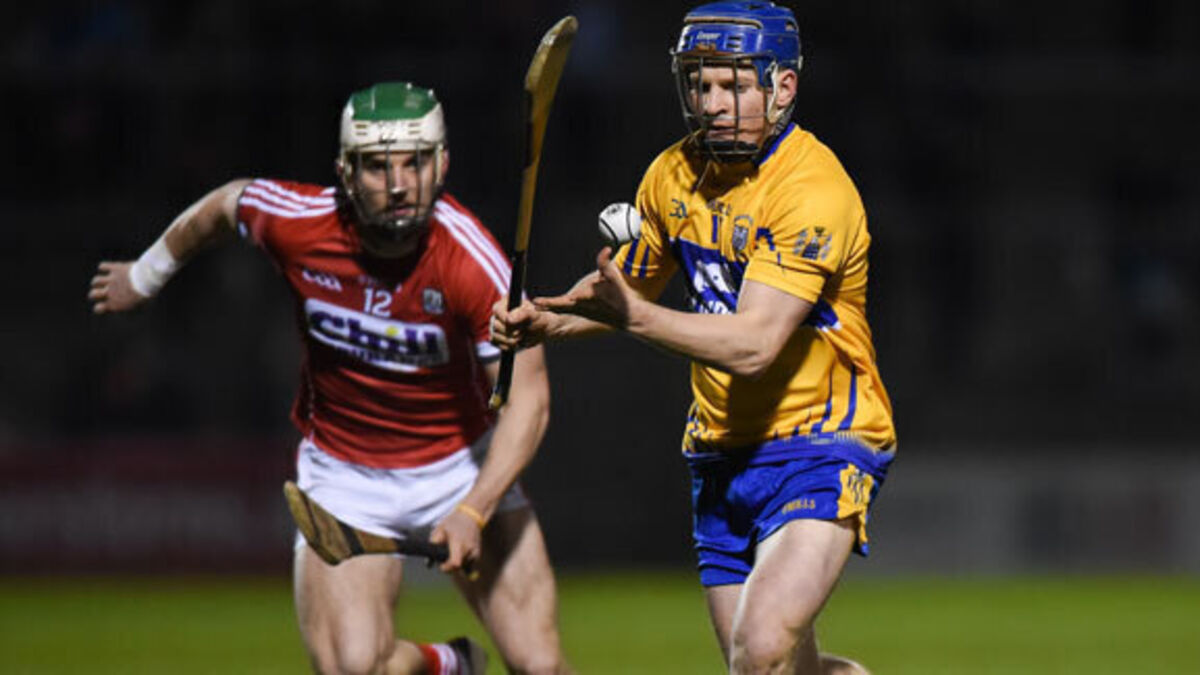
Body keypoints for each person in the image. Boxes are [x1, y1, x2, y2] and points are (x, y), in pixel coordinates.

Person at [89, 81, 569, 675]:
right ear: (345, 172)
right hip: (347, 480)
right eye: (377, 166)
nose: (398, 183)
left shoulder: (474, 262)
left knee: (540, 666)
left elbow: (529, 401)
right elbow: (226, 204)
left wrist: (474, 509)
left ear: (442, 165)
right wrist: (145, 276)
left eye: (415, 162)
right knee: (351, 667)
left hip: (461, 469)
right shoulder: (301, 224)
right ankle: (449, 665)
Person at [492, 3, 895, 673]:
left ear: (783, 87)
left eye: (732, 85)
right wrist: (550, 319)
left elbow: (755, 344)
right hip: (719, 453)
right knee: (773, 667)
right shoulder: (672, 175)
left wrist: (634, 317)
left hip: (821, 441)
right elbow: (628, 288)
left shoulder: (813, 189)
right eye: (700, 83)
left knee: (759, 648)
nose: (711, 104)